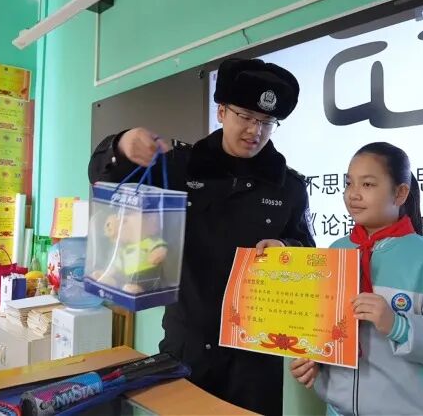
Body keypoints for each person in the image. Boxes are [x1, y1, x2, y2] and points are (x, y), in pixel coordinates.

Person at [88, 58, 315, 415]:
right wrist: (122, 145)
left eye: (266, 122)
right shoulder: (181, 165)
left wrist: (286, 248)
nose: (255, 130)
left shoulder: (289, 186)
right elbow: (107, 179)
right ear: (221, 111)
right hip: (188, 349)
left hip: (256, 361)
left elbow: (306, 250)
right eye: (245, 116)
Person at [289, 142, 423, 415]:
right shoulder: (336, 251)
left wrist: (397, 325)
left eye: (367, 184)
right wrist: (315, 358)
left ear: (400, 193)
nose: (353, 194)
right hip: (337, 410)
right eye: (349, 183)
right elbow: (325, 327)